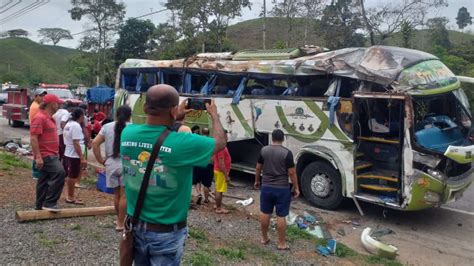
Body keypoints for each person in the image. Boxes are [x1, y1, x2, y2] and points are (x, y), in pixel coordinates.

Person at [120, 84, 226, 265]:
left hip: (135, 225)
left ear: (145, 107)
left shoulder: (127, 133)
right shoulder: (183, 142)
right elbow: (220, 142)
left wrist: (174, 115)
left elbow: (156, 131)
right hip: (166, 232)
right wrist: (214, 115)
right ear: (173, 110)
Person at [254, 129, 300, 250]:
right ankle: (281, 243)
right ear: (283, 139)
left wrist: (257, 181)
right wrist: (296, 187)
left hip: (266, 187)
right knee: (281, 215)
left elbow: (258, 168)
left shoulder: (264, 150)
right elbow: (292, 173)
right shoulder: (287, 153)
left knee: (265, 212)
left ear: (272, 138)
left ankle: (264, 238)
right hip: (282, 188)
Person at [92, 105, 132, 231]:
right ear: (130, 116)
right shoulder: (132, 128)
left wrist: (100, 160)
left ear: (116, 114)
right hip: (127, 163)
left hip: (111, 163)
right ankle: (121, 222)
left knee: (116, 195)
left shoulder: (107, 127)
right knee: (125, 195)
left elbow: (95, 143)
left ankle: (118, 221)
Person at [30, 94, 66, 212]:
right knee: (60, 173)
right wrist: (38, 157)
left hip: (51, 154)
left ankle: (39, 205)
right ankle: (50, 203)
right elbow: (34, 138)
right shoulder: (40, 117)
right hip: (46, 154)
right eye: (58, 103)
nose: (59, 105)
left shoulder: (50, 118)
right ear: (52, 104)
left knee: (44, 179)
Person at [62, 108, 87, 205]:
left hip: (68, 152)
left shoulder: (68, 124)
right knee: (73, 176)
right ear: (80, 116)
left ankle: (69, 195)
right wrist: (82, 158)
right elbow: (76, 143)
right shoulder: (76, 126)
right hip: (74, 155)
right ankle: (70, 197)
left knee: (70, 175)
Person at [192, 128, 213, 205]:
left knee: (197, 180)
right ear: (208, 133)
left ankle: (198, 194)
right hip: (208, 164)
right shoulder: (211, 141)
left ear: (202, 133)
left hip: (198, 163)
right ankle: (206, 199)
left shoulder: (198, 141)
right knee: (207, 184)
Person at [29, 88, 47, 179]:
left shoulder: (36, 105)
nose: (43, 97)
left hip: (36, 131)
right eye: (41, 96)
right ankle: (36, 173)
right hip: (37, 132)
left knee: (37, 151)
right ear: (36, 96)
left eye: (44, 95)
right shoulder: (36, 107)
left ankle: (36, 172)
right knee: (37, 152)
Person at [213, 129, 231, 214]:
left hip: (218, 170)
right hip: (220, 172)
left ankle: (217, 205)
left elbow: (214, 158)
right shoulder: (221, 148)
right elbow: (221, 163)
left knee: (218, 189)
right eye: (226, 136)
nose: (227, 137)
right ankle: (219, 208)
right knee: (220, 190)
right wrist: (226, 175)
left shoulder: (220, 146)